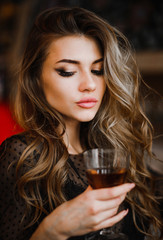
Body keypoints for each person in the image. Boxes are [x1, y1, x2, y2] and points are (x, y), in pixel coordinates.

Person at [0, 6, 162, 240]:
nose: (89, 84)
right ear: (36, 79)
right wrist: (52, 230)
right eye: (67, 71)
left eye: (98, 70)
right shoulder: (21, 157)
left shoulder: (115, 152)